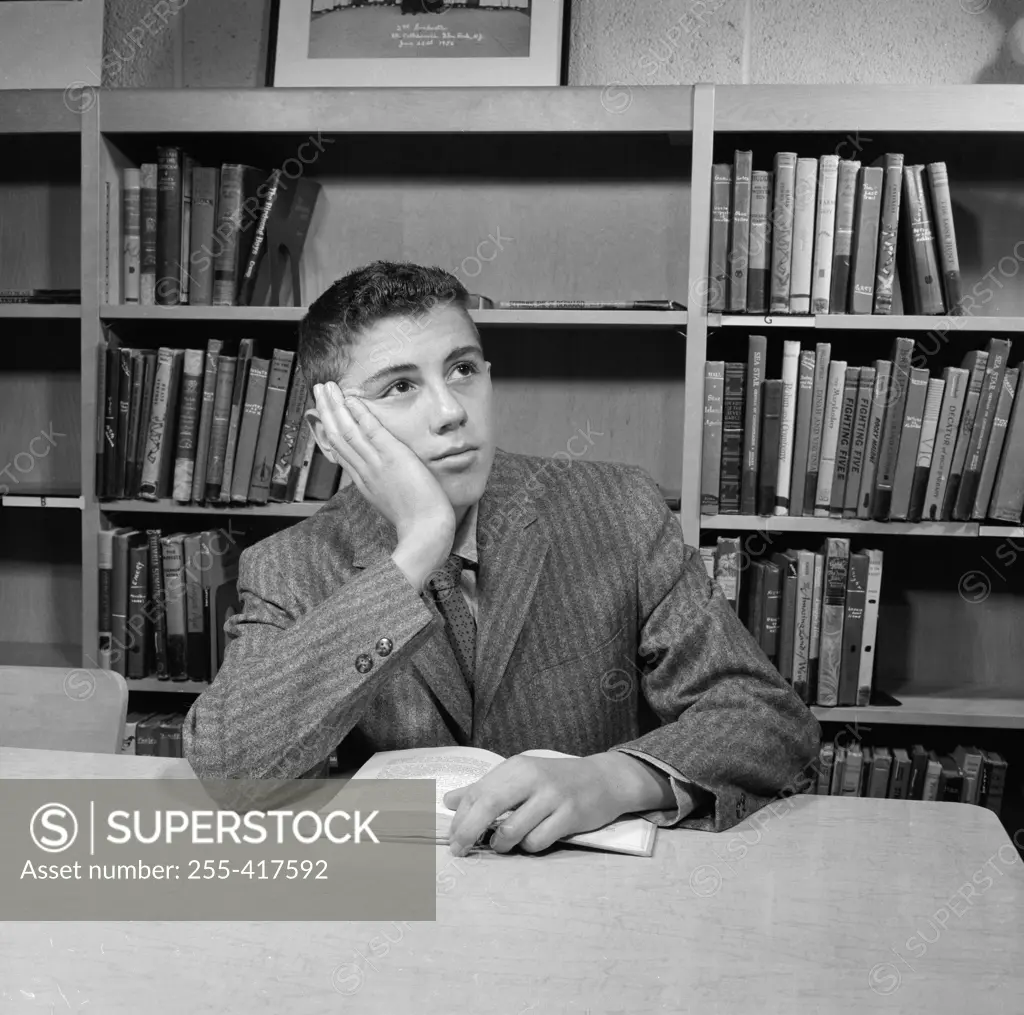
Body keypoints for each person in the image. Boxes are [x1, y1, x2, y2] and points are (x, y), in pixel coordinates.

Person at [183, 260, 820, 856]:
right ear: (330, 434)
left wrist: (613, 780)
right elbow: (234, 770)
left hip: (594, 902)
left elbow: (765, 717)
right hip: (402, 907)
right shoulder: (289, 567)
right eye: (400, 386)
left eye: (462, 369)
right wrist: (418, 546)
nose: (450, 411)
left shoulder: (619, 508)